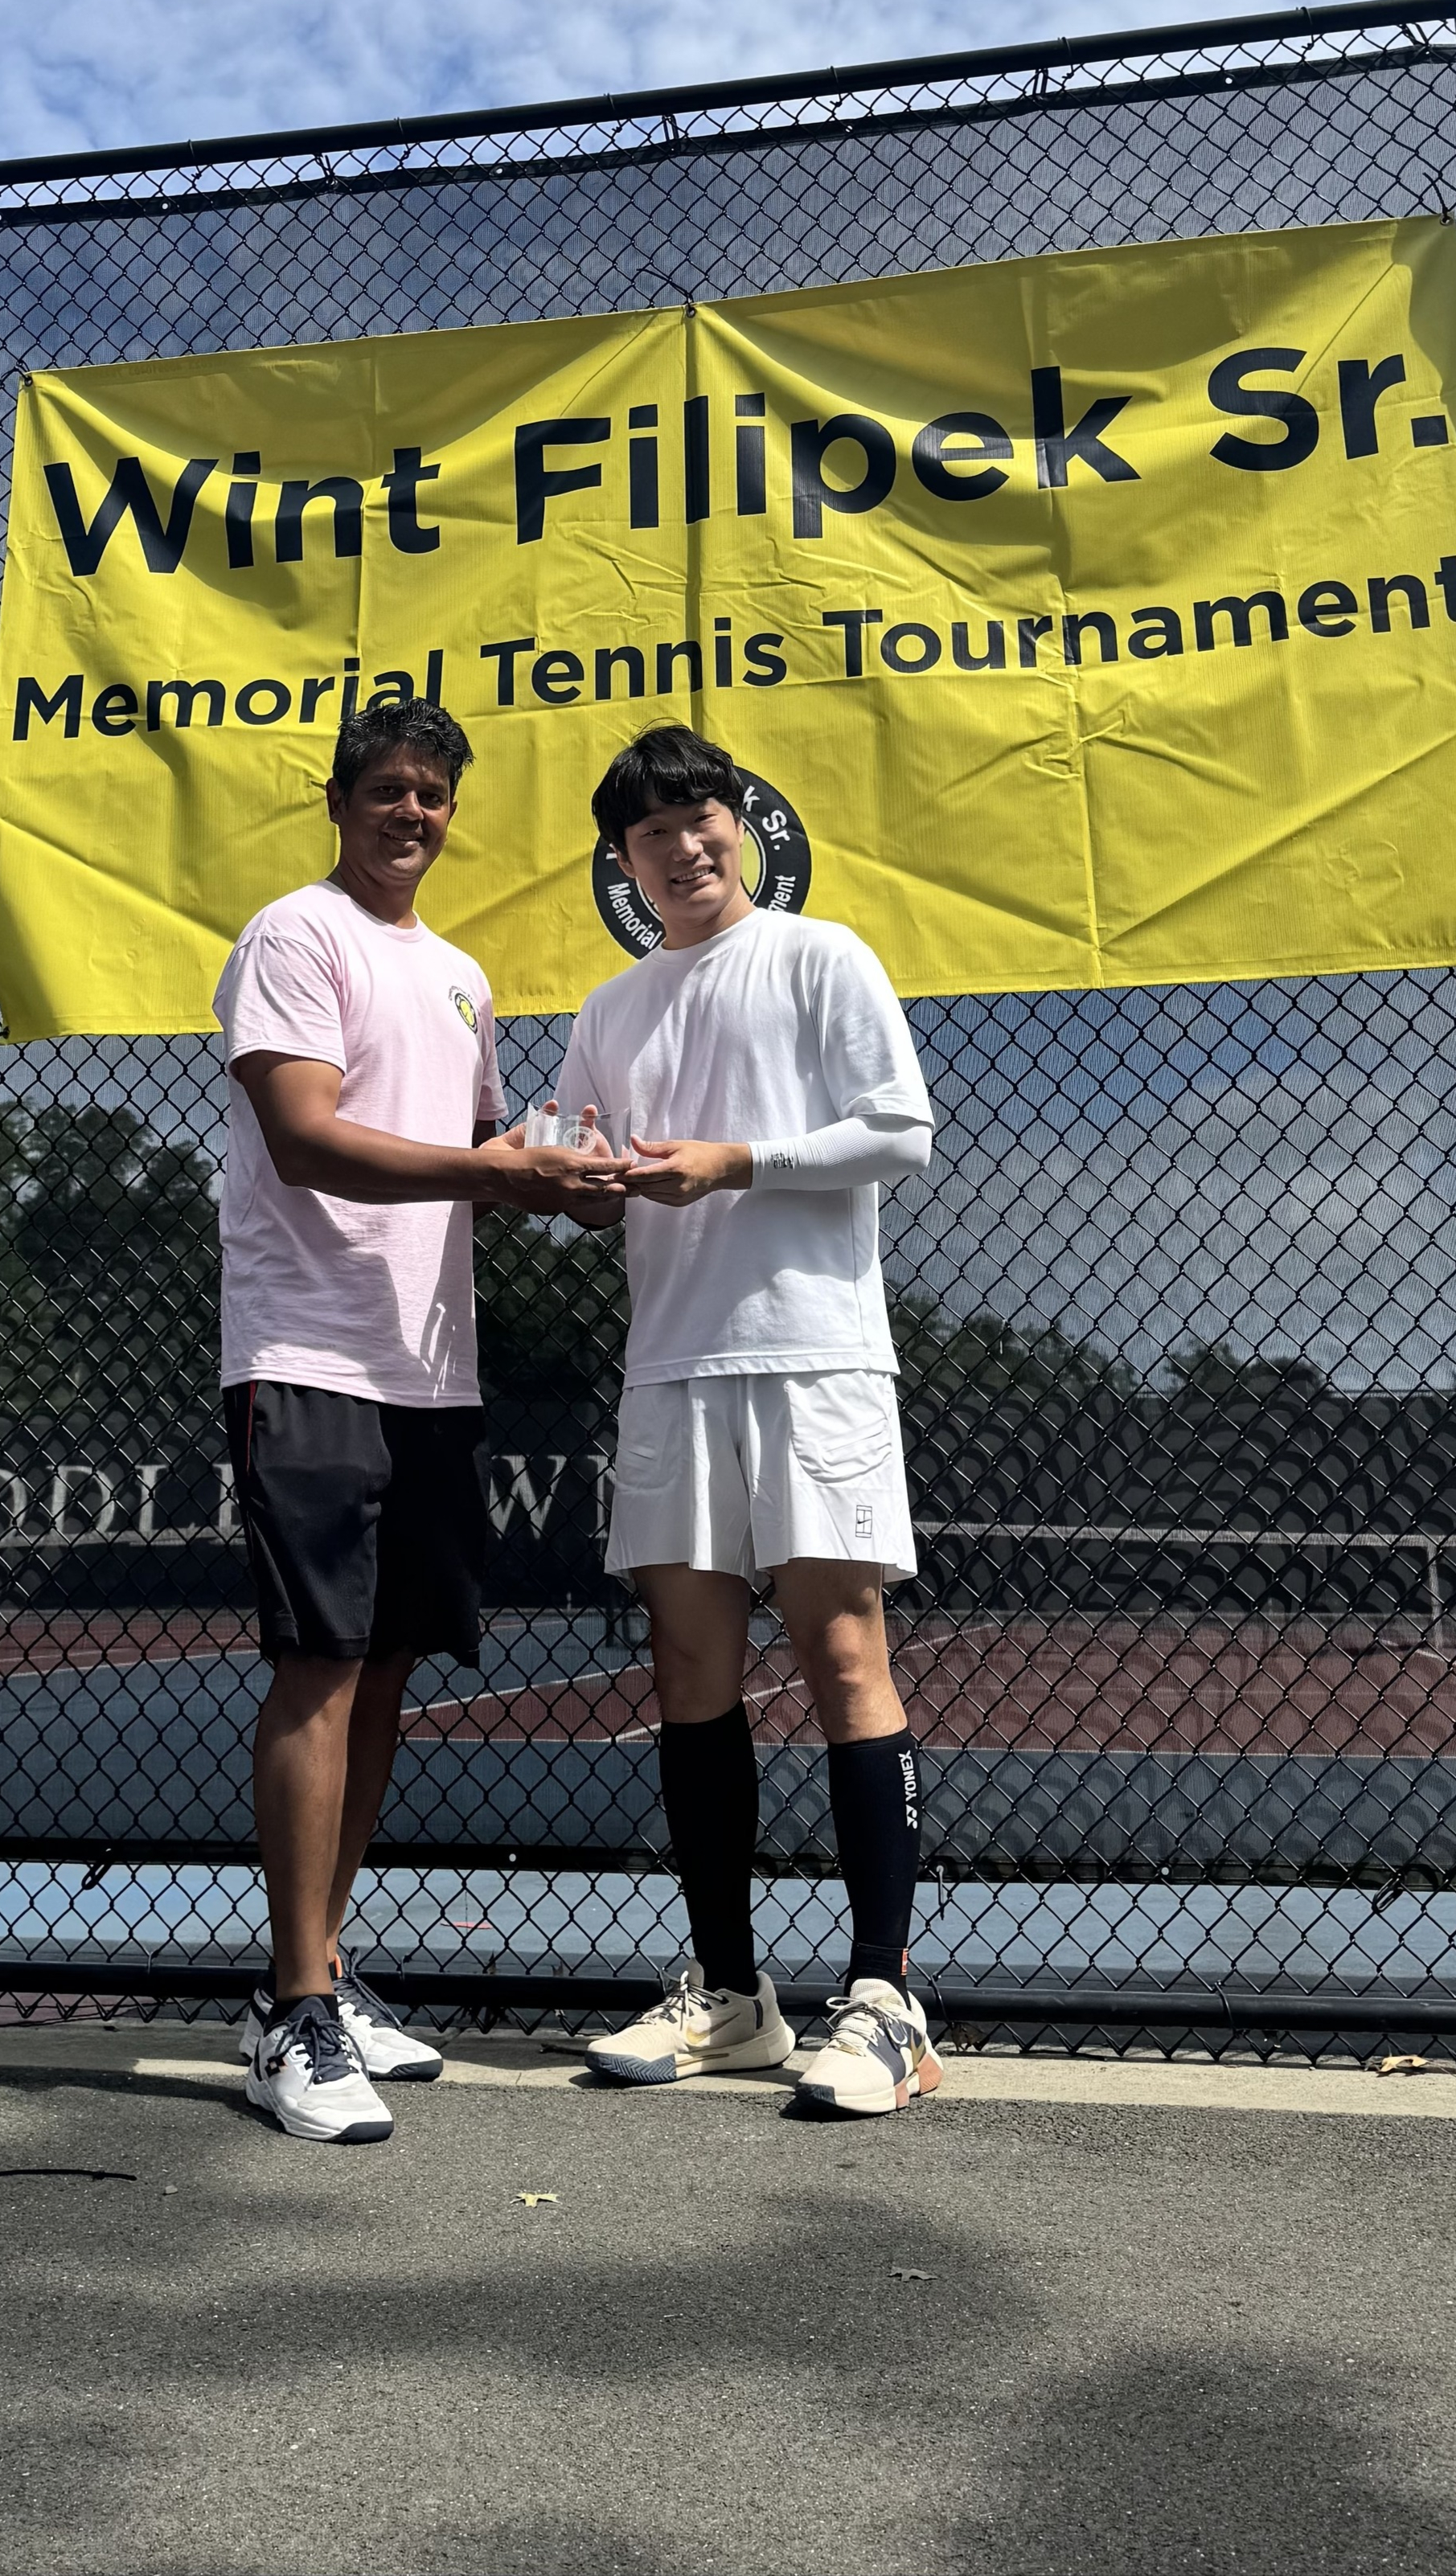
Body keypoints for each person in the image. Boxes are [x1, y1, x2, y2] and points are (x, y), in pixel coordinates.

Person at [217, 698, 617, 2141]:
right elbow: (308, 1137)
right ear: (339, 800)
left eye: (432, 796)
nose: (411, 813)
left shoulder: (460, 974)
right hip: (309, 1356)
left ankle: (316, 1973)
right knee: (320, 1669)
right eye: (386, 789)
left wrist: (569, 1170)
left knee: (386, 1675)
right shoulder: (293, 936)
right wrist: (494, 1175)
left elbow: (481, 1154)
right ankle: (292, 2013)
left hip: (429, 1372)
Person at [555, 722, 940, 2115]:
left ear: (742, 825)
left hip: (817, 1359)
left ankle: (886, 2001)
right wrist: (576, 1184)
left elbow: (900, 1132)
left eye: (701, 818)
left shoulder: (821, 955)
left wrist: (736, 1162)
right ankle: (731, 1998)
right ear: (628, 861)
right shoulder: (612, 1005)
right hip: (671, 1368)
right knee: (690, 1680)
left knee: (843, 1658)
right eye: (654, 833)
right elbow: (584, 1163)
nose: (684, 846)